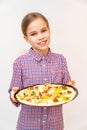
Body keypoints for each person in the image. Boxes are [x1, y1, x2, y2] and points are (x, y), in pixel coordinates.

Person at [8, 12, 74, 130]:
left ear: (49, 30)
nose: (41, 37)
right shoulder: (20, 62)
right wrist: (13, 94)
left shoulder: (61, 60)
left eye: (43, 30)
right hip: (28, 125)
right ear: (26, 38)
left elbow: (65, 91)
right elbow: (14, 93)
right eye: (33, 34)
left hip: (55, 125)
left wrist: (70, 87)